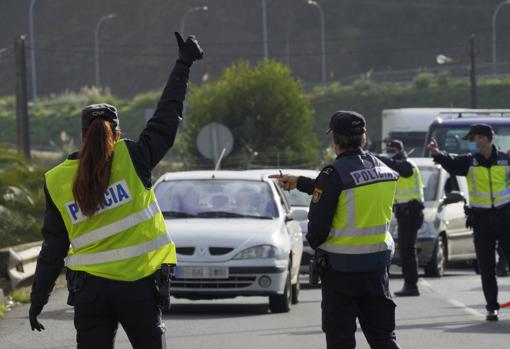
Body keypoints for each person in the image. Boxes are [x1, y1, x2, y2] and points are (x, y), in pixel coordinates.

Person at [28, 32, 203, 348]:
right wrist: (183, 64)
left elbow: (53, 247)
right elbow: (166, 118)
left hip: (90, 294)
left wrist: (37, 299)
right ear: (118, 134)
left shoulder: (55, 179)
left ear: (82, 137)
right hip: (137, 288)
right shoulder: (134, 157)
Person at [271, 111, 400, 349]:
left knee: (340, 340)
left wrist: (316, 244)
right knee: (383, 338)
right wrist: (301, 182)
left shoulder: (333, 174)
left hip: (341, 271)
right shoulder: (382, 170)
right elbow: (349, 191)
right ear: (364, 137)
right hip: (376, 268)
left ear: (335, 140)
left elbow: (318, 227)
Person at [427, 123, 510, 321]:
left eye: (473, 139)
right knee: (487, 267)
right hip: (481, 221)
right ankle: (492, 307)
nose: (471, 143)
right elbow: (451, 162)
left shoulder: (506, 160)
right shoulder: (469, 162)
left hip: (505, 219)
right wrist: (437, 153)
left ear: (483, 138)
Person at [378, 140, 424, 297]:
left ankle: (411, 285)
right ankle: (410, 284)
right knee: (406, 250)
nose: (389, 152)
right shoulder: (399, 165)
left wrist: (378, 157)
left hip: (411, 213)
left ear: (399, 151)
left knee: (407, 250)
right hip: (406, 213)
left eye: (392, 150)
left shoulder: (407, 165)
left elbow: (400, 168)